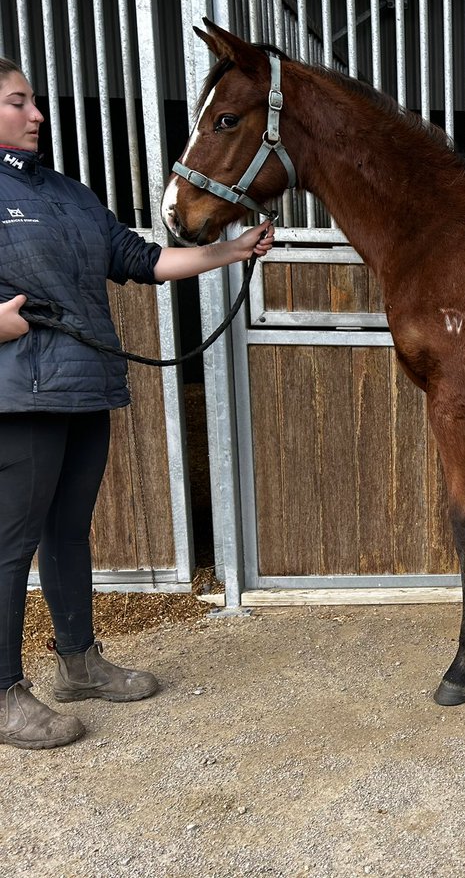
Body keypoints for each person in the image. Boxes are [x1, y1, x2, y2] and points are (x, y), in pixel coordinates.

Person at [0, 56, 274, 749]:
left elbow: (140, 260)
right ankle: (4, 695)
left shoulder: (68, 192)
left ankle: (80, 663)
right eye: (17, 103)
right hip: (18, 393)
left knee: (68, 532)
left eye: (33, 102)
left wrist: (231, 252)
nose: (36, 115)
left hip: (83, 382)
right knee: (10, 546)